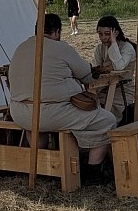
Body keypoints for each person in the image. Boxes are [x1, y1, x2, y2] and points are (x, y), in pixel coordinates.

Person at [7, 12, 117, 181]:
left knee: (35, 125)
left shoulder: (21, 47)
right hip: (52, 112)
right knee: (107, 120)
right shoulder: (61, 47)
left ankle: (40, 161)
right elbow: (86, 75)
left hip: (20, 113)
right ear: (57, 32)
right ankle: (92, 171)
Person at [92, 15, 137, 116]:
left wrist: (113, 43)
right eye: (100, 34)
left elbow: (119, 66)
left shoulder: (127, 47)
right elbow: (97, 68)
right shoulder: (100, 48)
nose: (103, 38)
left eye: (107, 34)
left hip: (122, 90)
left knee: (106, 113)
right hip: (103, 88)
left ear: (115, 32)